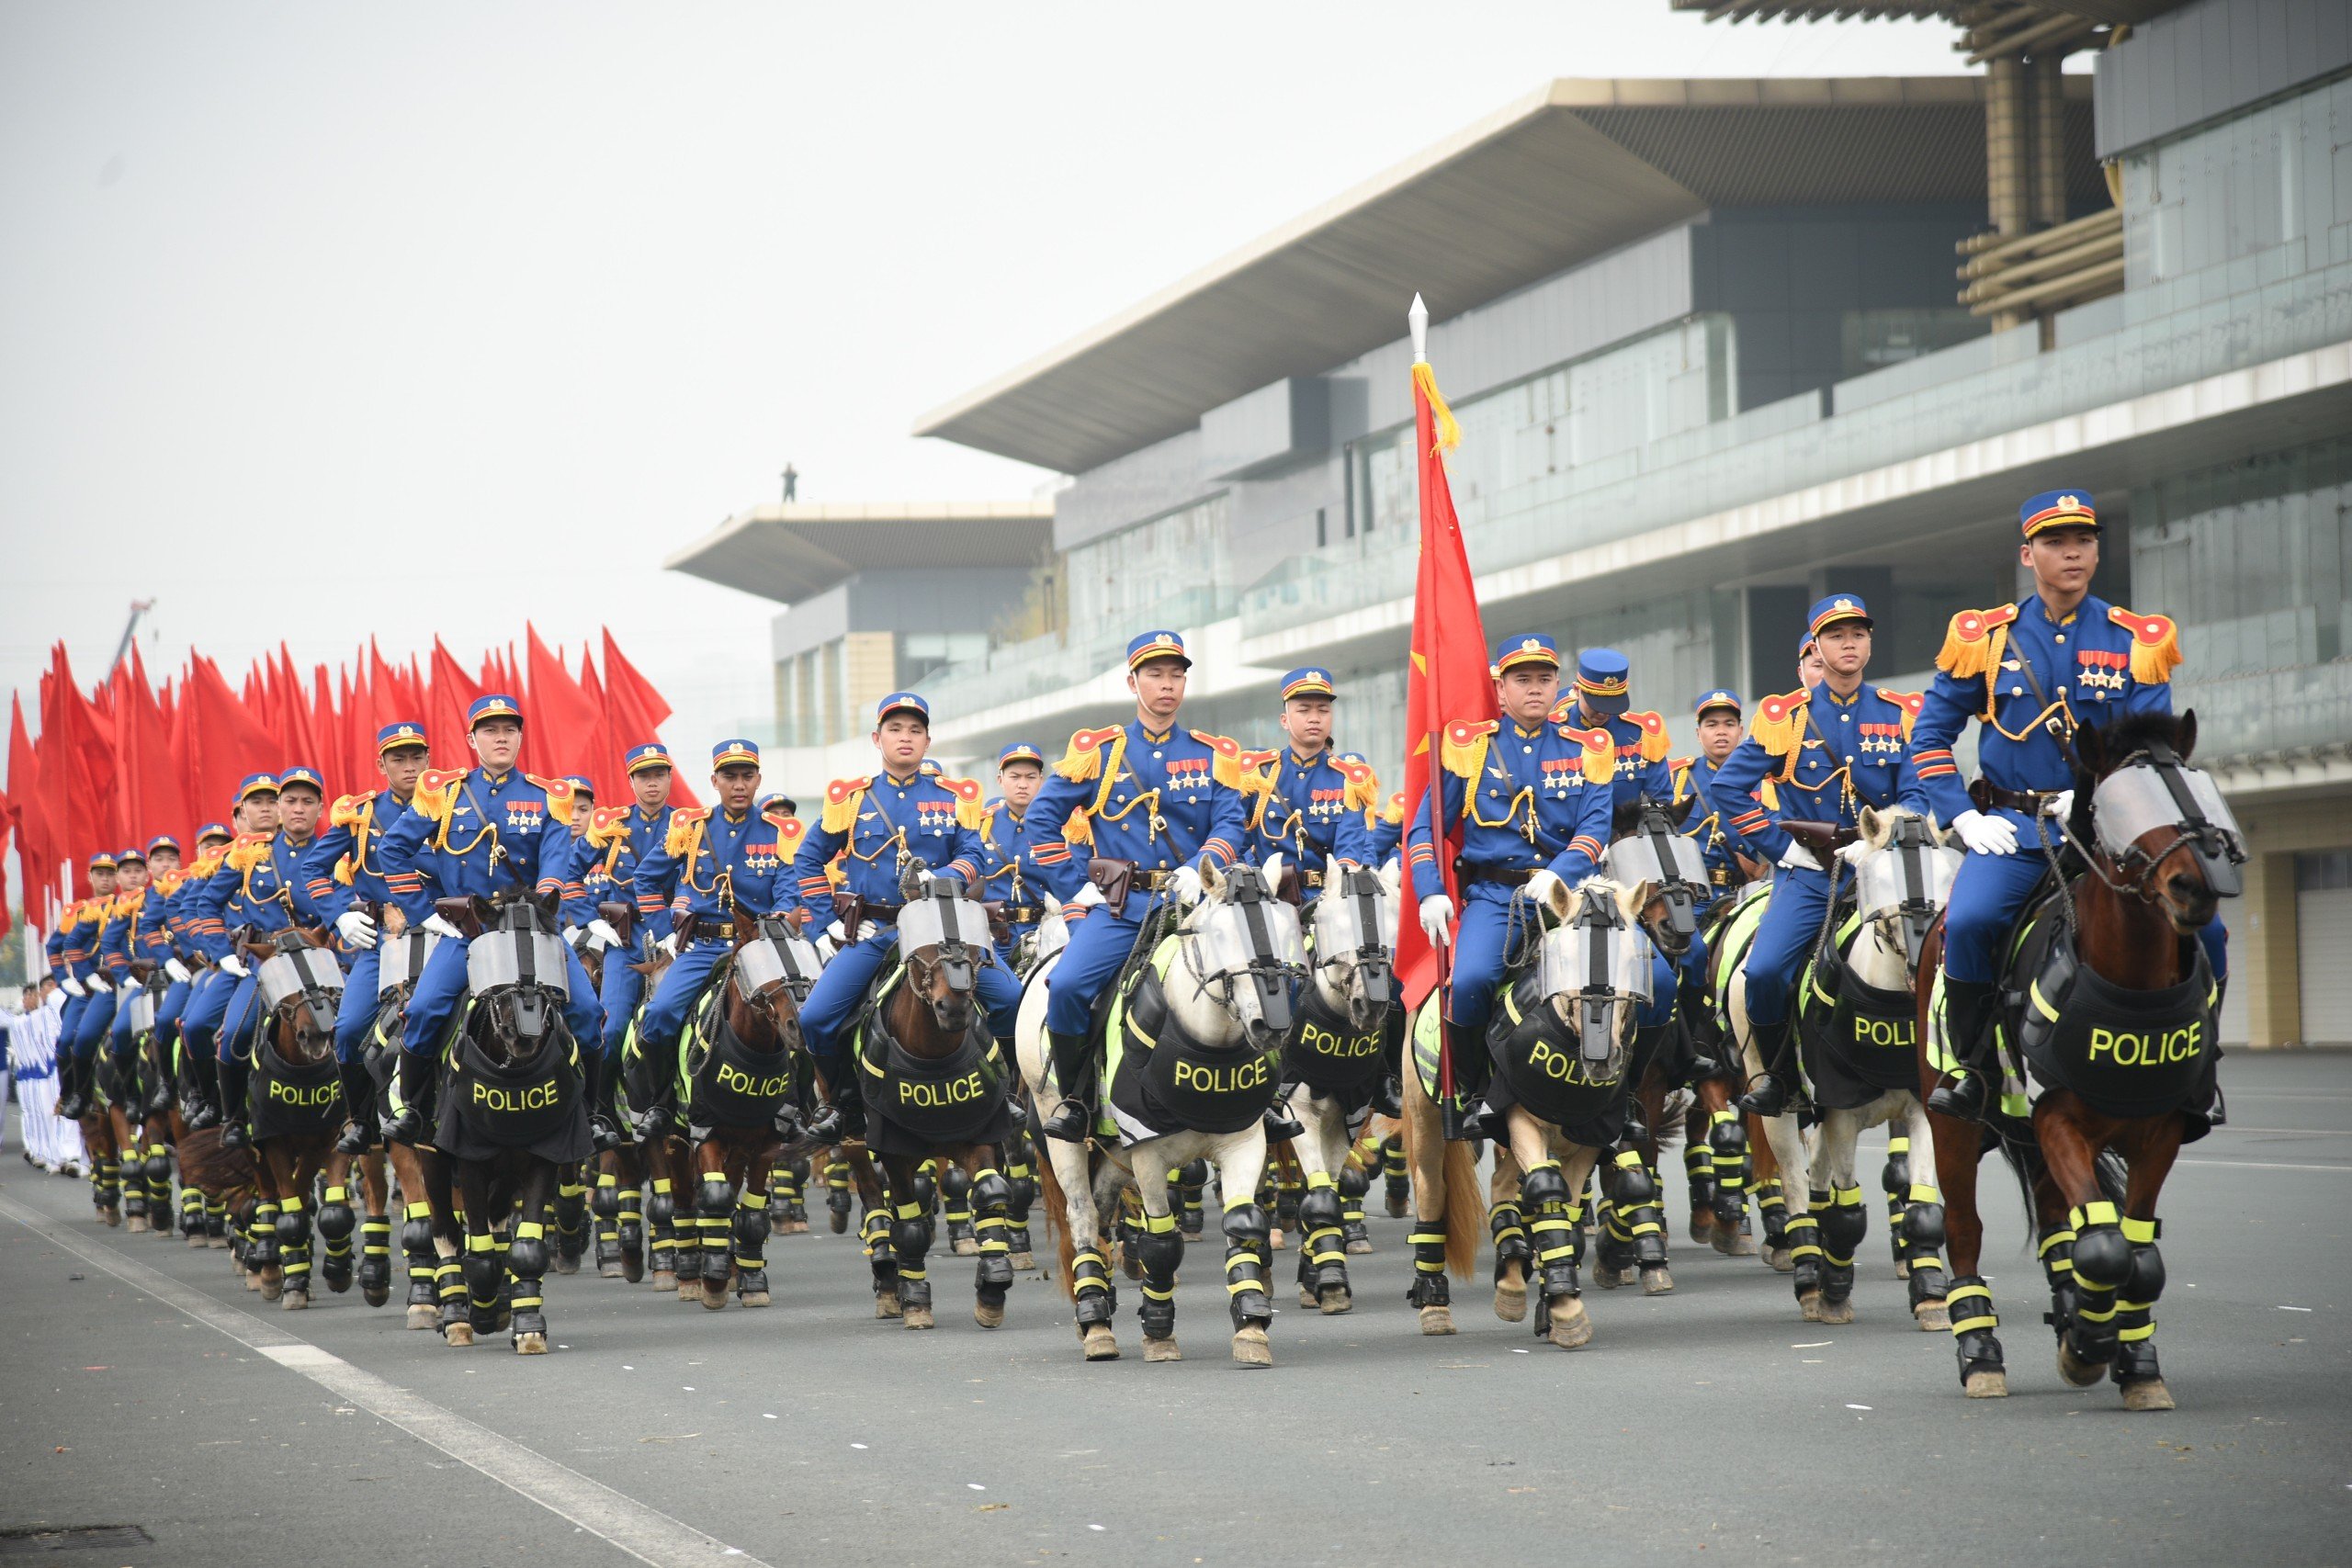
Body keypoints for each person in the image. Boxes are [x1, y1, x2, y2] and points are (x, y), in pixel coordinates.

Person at [1914, 489, 2222, 1120]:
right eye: (2055, 542)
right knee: (1968, 923)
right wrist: (1963, 815)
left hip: (2110, 833)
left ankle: (2200, 1065)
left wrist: (2103, 798)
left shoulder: (2136, 640)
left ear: (2098, 551)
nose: (2072, 553)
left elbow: (2152, 749)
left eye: (2083, 540)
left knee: (2208, 927)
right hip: (2013, 831)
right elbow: (1928, 736)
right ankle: (1971, 1066)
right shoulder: (1987, 639)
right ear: (2029, 554)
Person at [1023, 631, 1256, 1143]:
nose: (1167, 684)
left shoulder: (1212, 754)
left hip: (1193, 905)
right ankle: (1075, 1099)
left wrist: (1201, 866)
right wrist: (1074, 889)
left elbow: (1231, 826)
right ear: (1133, 682)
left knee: (1265, 973)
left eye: (1176, 674)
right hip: (1123, 907)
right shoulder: (1100, 752)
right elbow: (1041, 821)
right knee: (1065, 987)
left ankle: (1270, 1098)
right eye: (1155, 674)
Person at [1713, 595, 1928, 1116]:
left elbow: (1918, 794)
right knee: (1762, 973)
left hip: (1886, 868)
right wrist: (1782, 848)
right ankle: (1778, 1077)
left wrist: (1886, 839)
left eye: (1858, 633)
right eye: (1835, 635)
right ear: (1816, 647)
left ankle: (1956, 1066)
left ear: (1870, 642)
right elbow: (1728, 789)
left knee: (1948, 954)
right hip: (1812, 873)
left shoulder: (1900, 713)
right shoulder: (1784, 717)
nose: (1848, 642)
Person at [1407, 633, 1616, 1137]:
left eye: (1544, 679)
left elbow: (1594, 829)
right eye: (1522, 680)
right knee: (1473, 981)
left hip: (1570, 899)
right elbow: (1423, 829)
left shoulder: (1587, 748)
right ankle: (1476, 1094)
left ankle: (1621, 1101)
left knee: (1649, 983)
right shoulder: (1468, 748)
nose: (1535, 690)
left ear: (1559, 685)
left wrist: (1558, 873)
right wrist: (1430, 889)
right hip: (1496, 898)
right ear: (1500, 689)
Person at [783, 700, 1022, 1138]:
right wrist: (824, 923)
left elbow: (975, 856)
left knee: (1010, 997)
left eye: (915, 729)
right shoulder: (852, 800)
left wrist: (943, 877)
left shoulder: (953, 797)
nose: (906, 736)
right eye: (896, 728)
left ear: (928, 740)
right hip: (878, 929)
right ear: (878, 739)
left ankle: (1006, 1091)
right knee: (815, 1018)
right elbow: (807, 858)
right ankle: (842, 1103)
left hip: (942, 925)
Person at [376, 695, 603, 1145]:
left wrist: (548, 897)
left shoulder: (549, 796)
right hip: (471, 932)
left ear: (520, 736)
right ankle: (417, 1113)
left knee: (589, 1012)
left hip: (532, 929)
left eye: (509, 730)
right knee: (422, 1011)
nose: (501, 738)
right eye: (490, 731)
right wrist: (426, 914)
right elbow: (392, 850)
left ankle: (591, 1115)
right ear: (471, 739)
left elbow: (556, 860)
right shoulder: (443, 792)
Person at [626, 739, 815, 1139]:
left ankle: (795, 1105)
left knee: (806, 1014)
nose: (739, 784)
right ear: (715, 780)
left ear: (759, 779)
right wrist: (663, 933)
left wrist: (778, 921)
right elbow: (645, 878)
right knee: (658, 1015)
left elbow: (788, 888)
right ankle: (660, 1104)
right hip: (705, 947)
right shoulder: (691, 829)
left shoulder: (778, 831)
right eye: (730, 776)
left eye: (747, 776)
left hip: (761, 948)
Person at [299, 721, 430, 1152]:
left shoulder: (452, 804)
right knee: (350, 1027)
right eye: (398, 759)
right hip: (382, 941)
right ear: (381, 765)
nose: (409, 767)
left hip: (442, 934)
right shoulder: (363, 814)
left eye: (416, 757)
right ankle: (360, 1122)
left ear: (428, 760)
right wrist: (339, 917)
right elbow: (313, 870)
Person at [184, 767, 328, 1148]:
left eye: (307, 802)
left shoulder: (333, 851)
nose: (298, 809)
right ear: (280, 808)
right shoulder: (249, 854)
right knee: (234, 1035)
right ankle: (230, 1115)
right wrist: (221, 954)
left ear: (320, 807)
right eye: (290, 801)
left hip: (320, 961)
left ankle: (359, 1116)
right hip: (265, 962)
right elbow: (206, 903)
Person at [571, 742, 677, 1141]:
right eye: (643, 776)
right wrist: (589, 920)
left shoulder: (688, 823)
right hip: (625, 942)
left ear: (669, 778)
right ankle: (598, 1113)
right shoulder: (611, 824)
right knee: (611, 1031)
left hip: (672, 943)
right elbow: (567, 873)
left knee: (680, 1026)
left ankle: (672, 1107)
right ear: (631, 780)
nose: (652, 782)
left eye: (659, 774)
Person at [49, 852, 117, 1120]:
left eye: (110, 874)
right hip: (85, 992)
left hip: (115, 986)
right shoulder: (77, 912)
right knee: (67, 1040)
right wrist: (64, 980)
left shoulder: (126, 907)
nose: (105, 879)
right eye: (100, 874)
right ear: (90, 877)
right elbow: (54, 948)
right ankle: (75, 1093)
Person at [975, 742, 1056, 961]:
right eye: (1014, 777)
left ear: (1042, 780)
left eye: (1030, 777)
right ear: (1000, 780)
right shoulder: (982, 826)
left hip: (1044, 934)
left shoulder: (1060, 825)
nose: (1023, 784)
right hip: (992, 936)